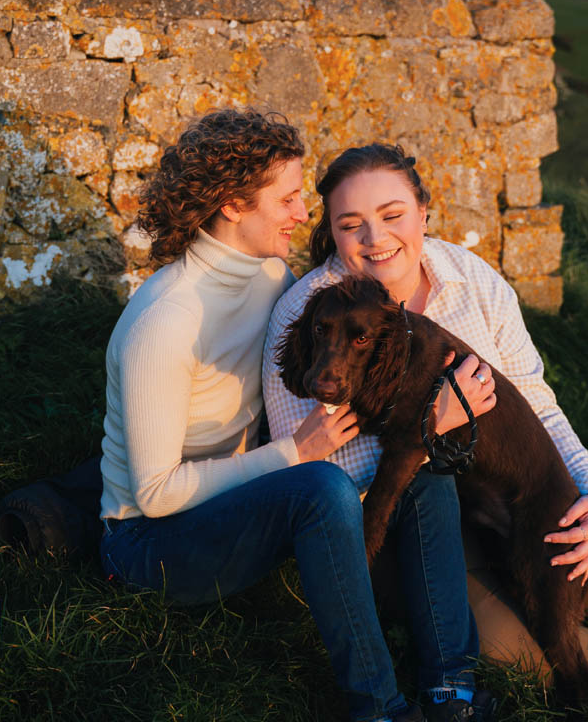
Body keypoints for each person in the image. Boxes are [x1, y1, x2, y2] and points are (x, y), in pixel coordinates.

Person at [262, 143, 588, 696]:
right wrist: (432, 425)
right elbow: (323, 486)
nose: (376, 238)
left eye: (393, 215)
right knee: (509, 649)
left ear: (422, 211)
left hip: (508, 488)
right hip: (409, 528)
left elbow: (537, 401)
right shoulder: (309, 319)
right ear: (334, 234)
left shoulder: (471, 279)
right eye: (351, 225)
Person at [96, 110, 495, 722]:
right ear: (232, 204)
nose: (301, 214)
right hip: (152, 546)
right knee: (320, 485)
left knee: (417, 463)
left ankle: (451, 688)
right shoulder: (165, 322)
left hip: (244, 504)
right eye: (286, 199)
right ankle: (380, 707)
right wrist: (292, 455)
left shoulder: (270, 278)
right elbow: (153, 495)